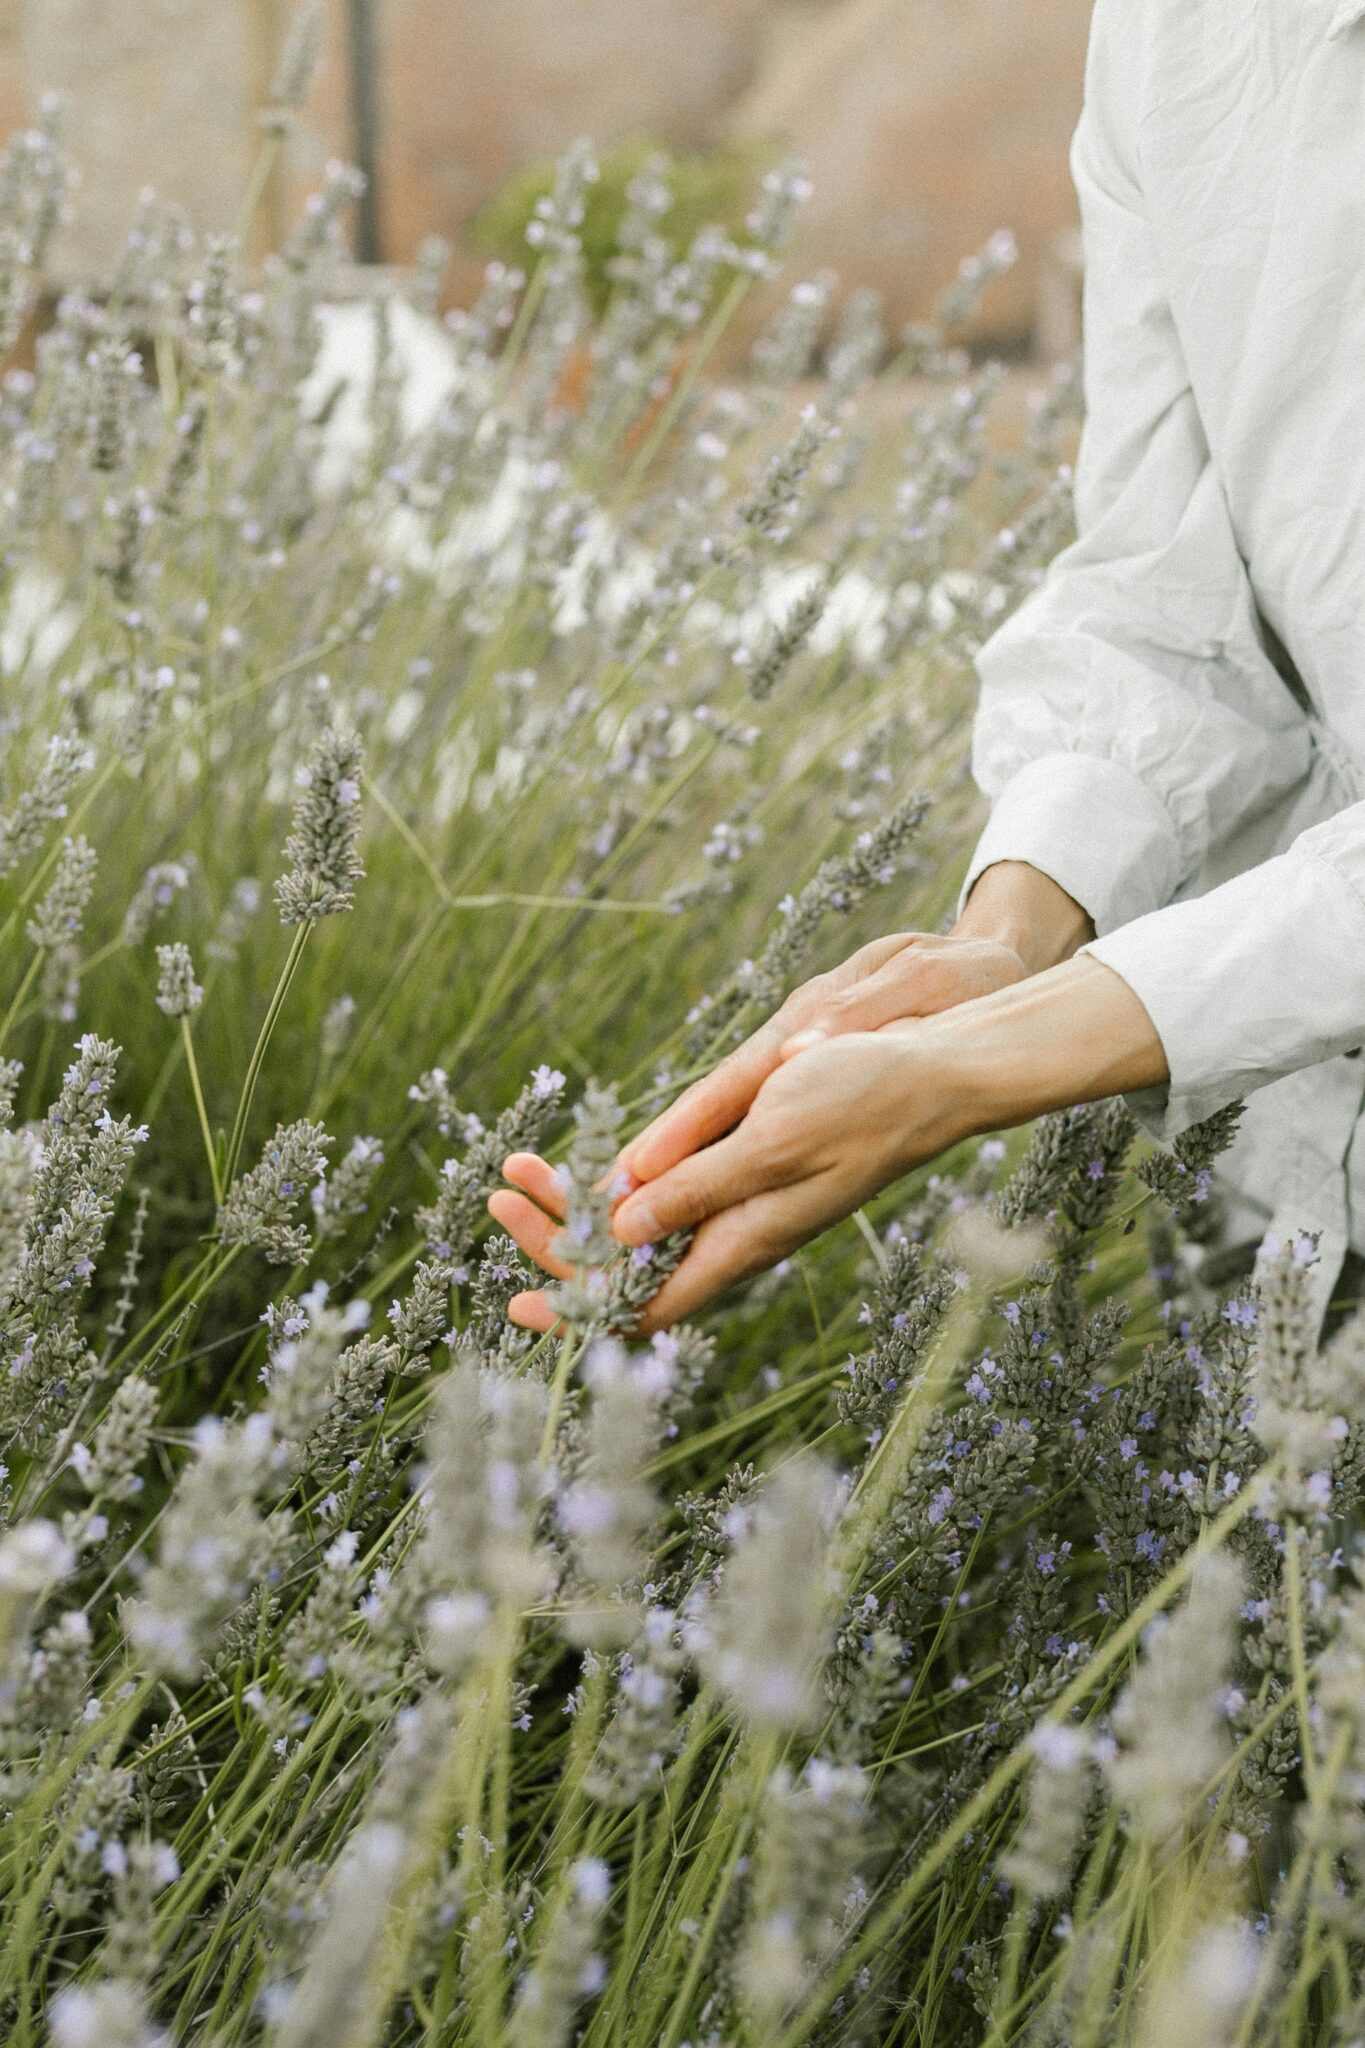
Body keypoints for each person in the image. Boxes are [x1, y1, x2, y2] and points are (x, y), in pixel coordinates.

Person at [489, 0, 1365, 1335]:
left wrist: (977, 1066)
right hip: (1297, 1194)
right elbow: (1165, 593)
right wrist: (992, 950)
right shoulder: (1178, 29)